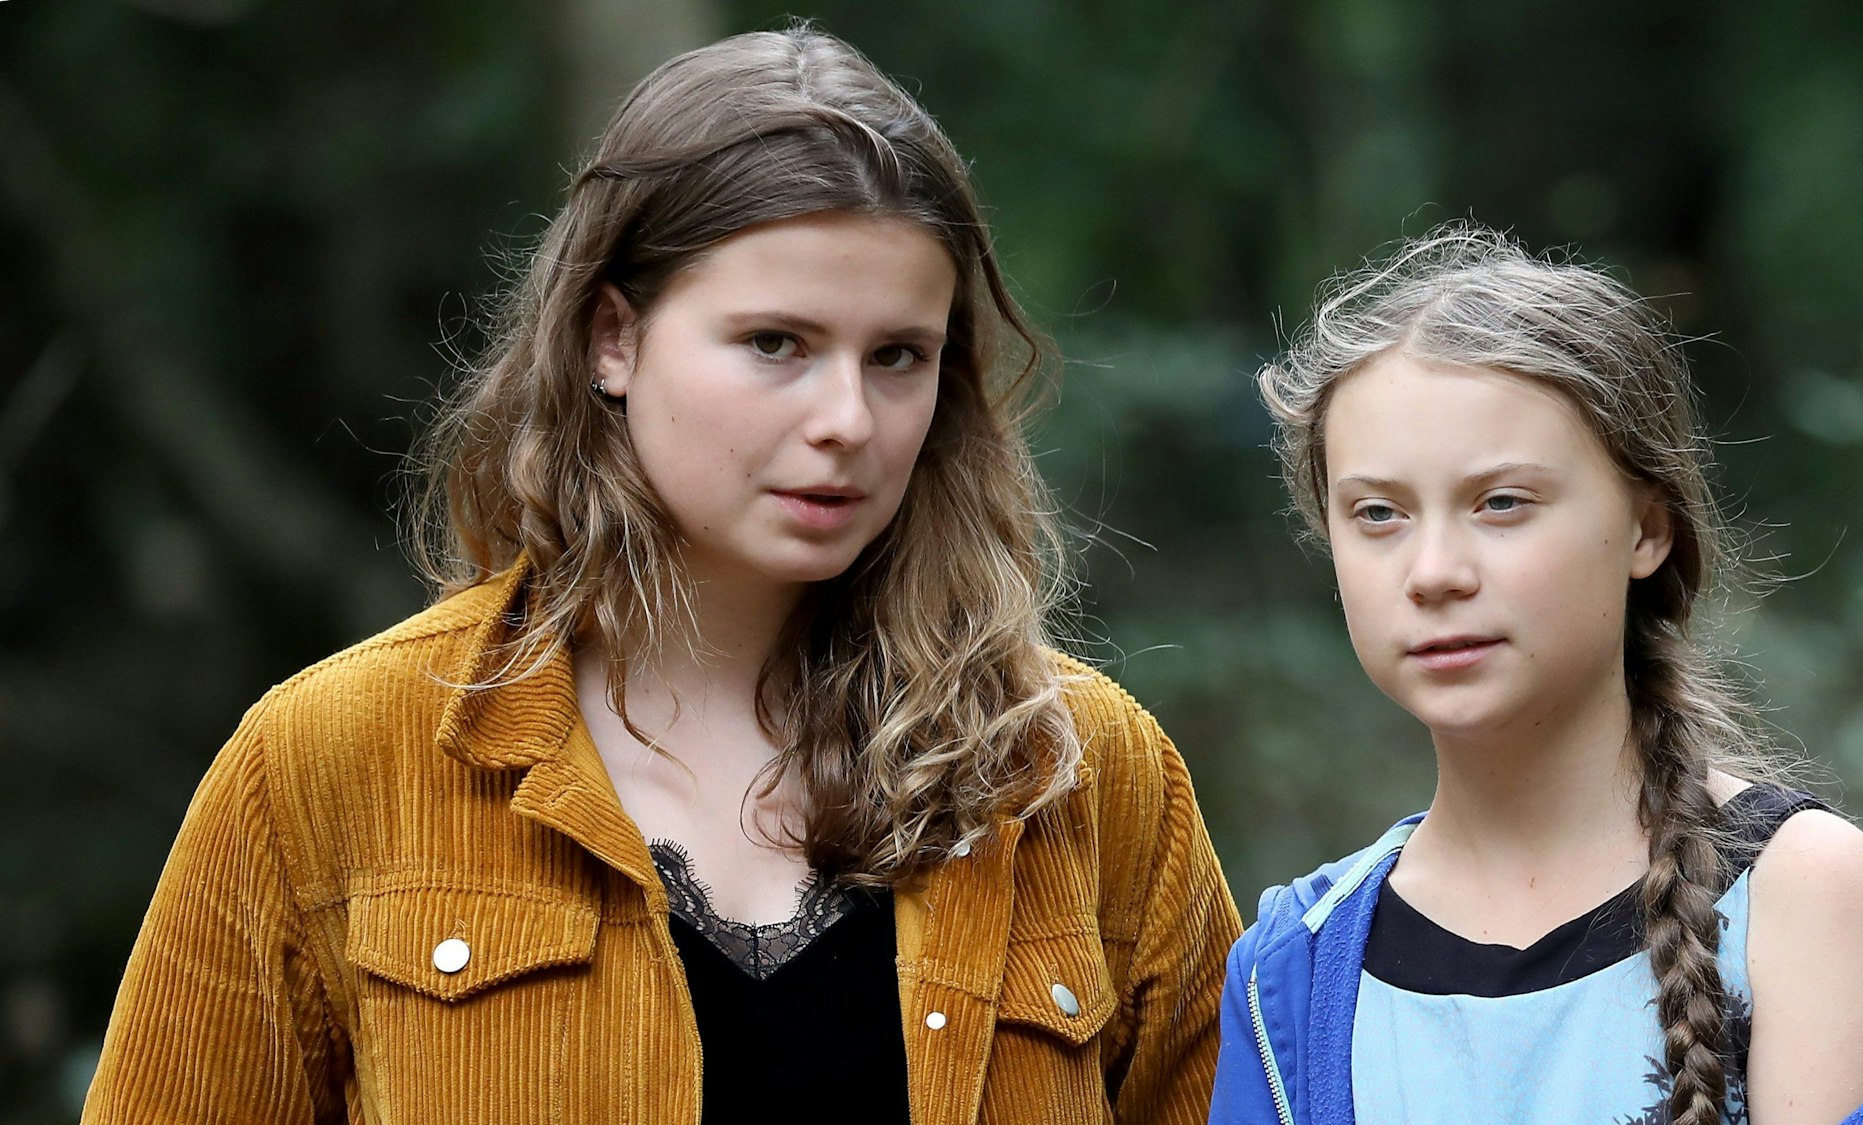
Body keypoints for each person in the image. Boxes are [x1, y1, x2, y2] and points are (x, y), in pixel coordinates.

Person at [83, 26, 1239, 1124]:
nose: (847, 420)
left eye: (897, 357)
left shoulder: (1068, 771)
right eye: (775, 343)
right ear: (611, 339)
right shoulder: (336, 760)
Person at [1209, 224, 1863, 1124]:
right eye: (1378, 512)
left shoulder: (1793, 891)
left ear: (1646, 528)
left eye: (1502, 503)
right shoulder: (1294, 968)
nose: (1434, 569)